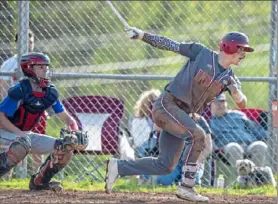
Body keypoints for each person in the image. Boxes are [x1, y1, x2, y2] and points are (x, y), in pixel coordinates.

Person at [105, 27, 254, 202]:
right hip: (167, 105)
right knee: (198, 135)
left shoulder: (230, 77)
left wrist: (235, 91)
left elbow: (242, 103)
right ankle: (186, 187)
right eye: (241, 49)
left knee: (166, 165)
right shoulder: (202, 53)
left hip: (182, 116)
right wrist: (143, 36)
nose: (243, 54)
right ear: (229, 47)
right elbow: (171, 45)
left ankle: (118, 167)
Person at [0, 52, 87, 191]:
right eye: (41, 67)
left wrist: (75, 132)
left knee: (65, 147)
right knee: (21, 145)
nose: (45, 70)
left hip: (25, 136)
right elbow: (1, 117)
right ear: (29, 68)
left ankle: (40, 181)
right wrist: (19, 134)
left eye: (46, 67)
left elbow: (67, 119)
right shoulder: (20, 90)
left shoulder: (49, 92)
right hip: (4, 132)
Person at [0, 30, 46, 179]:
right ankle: (7, 179)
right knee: (11, 146)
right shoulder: (10, 64)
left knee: (37, 147)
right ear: (17, 44)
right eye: (24, 42)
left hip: (35, 109)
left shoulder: (40, 63)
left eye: (31, 43)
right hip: (16, 111)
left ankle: (38, 177)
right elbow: (2, 87)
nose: (28, 46)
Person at [209, 93, 268, 168]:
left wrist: (269, 136)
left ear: (226, 103)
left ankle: (255, 176)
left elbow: (255, 129)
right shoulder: (209, 122)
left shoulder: (238, 114)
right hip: (228, 147)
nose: (220, 105)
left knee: (260, 145)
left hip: (249, 144)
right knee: (234, 147)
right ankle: (242, 178)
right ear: (210, 105)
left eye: (222, 101)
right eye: (216, 102)